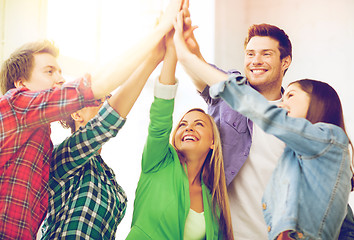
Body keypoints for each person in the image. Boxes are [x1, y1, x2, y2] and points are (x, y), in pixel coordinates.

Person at [0, 1, 182, 238]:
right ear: (21, 83)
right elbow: (100, 108)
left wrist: (154, 57)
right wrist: (157, 36)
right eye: (49, 71)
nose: (60, 77)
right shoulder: (15, 105)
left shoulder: (44, 152)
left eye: (59, 71)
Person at [178, 2, 354, 239]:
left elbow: (331, 202)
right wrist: (191, 54)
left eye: (266, 54)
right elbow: (207, 80)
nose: (256, 60)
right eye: (250, 54)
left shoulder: (303, 126)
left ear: (285, 62)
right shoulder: (231, 96)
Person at [40, 39, 166, 239]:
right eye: (96, 100)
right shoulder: (63, 156)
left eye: (106, 98)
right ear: (76, 115)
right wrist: (151, 60)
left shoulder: (110, 179)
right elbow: (103, 124)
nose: (104, 103)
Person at [126, 30, 233, 240]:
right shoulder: (158, 162)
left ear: (213, 142)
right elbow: (160, 115)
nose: (188, 128)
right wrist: (173, 50)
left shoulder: (213, 201)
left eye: (199, 124)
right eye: (183, 124)